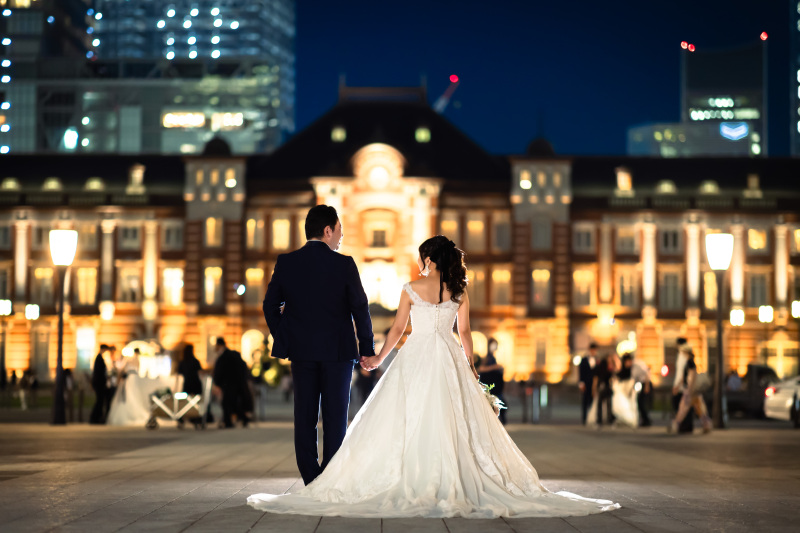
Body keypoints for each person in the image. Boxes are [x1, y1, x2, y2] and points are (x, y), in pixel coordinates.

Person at [249, 235, 618, 518]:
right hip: (449, 357)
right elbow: (466, 333)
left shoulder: (411, 288)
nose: (421, 264)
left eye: (422, 258)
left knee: (406, 416)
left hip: (417, 356)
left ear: (428, 259)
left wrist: (377, 358)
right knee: (454, 418)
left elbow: (396, 332)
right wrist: (470, 365)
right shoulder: (459, 290)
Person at [262, 205, 375, 485]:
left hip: (301, 352)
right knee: (336, 418)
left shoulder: (287, 262)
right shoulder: (344, 264)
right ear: (328, 231)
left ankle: (311, 479)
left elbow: (269, 306)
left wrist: (285, 336)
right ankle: (330, 479)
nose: (340, 238)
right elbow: (360, 308)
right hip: (338, 353)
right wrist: (367, 349)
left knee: (305, 416)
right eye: (339, 231)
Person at [669, 349, 712, 434]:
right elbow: (684, 378)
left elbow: (692, 376)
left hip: (690, 390)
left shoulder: (690, 363)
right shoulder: (688, 363)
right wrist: (678, 387)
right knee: (700, 408)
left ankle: (675, 425)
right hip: (693, 391)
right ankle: (707, 424)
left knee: (683, 408)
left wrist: (690, 390)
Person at [213, 337, 252, 428]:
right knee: (232, 403)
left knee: (227, 403)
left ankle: (228, 422)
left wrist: (218, 383)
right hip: (234, 383)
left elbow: (220, 371)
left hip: (229, 384)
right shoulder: (231, 354)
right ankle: (241, 419)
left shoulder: (225, 356)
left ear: (219, 345)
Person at [478, 337, 507, 425]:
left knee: (497, 403)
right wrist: (495, 367)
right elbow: (481, 369)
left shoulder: (492, 357)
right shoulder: (487, 358)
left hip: (494, 386)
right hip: (491, 386)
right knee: (496, 403)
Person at [178, 344, 204, 428]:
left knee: (185, 402)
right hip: (196, 384)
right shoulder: (195, 361)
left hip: (187, 384)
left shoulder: (182, 362)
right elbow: (200, 373)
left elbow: (179, 375)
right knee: (196, 401)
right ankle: (196, 417)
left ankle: (182, 418)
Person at [590, 355, 615, 428]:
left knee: (600, 404)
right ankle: (609, 420)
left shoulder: (600, 368)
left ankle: (600, 420)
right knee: (608, 404)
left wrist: (594, 389)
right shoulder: (607, 369)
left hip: (602, 388)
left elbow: (595, 380)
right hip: (606, 388)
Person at [629, 352, 652, 427]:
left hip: (645, 383)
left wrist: (647, 386)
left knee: (642, 403)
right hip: (639, 384)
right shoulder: (632, 367)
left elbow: (647, 373)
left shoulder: (638, 364)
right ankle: (644, 420)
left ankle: (646, 420)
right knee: (639, 402)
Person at [578, 343, 597, 424]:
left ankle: (592, 418)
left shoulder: (597, 359)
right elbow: (581, 372)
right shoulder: (584, 360)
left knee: (592, 401)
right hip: (586, 383)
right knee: (585, 401)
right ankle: (584, 419)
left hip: (594, 384)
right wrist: (581, 383)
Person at [90, 344, 110, 424]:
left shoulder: (99, 358)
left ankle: (96, 417)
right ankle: (95, 418)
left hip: (99, 383)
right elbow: (99, 373)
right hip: (99, 384)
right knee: (99, 401)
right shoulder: (99, 358)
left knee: (100, 401)